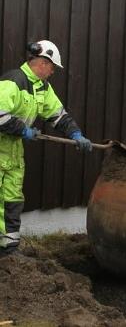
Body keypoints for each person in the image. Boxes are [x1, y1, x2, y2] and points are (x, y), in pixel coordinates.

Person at [0, 40, 92, 256]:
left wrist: (76, 134)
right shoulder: (14, 81)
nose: (52, 72)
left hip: (13, 154)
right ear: (42, 62)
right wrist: (23, 130)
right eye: (52, 67)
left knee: (12, 200)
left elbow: (58, 116)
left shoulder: (42, 88)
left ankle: (9, 251)